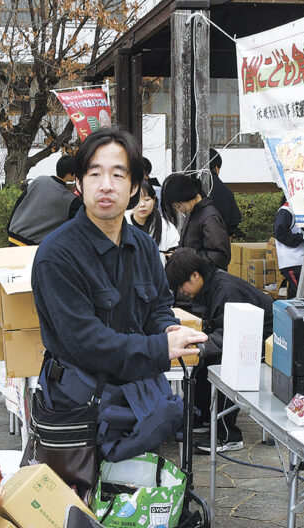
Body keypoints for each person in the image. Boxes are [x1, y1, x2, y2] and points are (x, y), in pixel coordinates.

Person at [31, 127, 207, 407]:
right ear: (79, 183)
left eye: (117, 175)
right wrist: (159, 347)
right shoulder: (57, 255)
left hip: (140, 401)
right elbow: (86, 341)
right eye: (95, 174)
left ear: (134, 186)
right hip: (81, 407)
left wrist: (169, 331)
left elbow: (159, 307)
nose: (106, 185)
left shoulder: (144, 246)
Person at [165, 248, 273, 452]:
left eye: (181, 285)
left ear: (195, 275)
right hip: (238, 335)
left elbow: (231, 335)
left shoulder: (225, 290)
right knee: (199, 361)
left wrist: (201, 345)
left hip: (260, 340)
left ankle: (228, 435)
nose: (181, 291)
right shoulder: (210, 284)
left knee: (221, 365)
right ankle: (202, 417)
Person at [7, 154, 82, 246]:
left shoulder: (39, 180)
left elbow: (19, 203)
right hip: (34, 245)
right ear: (70, 175)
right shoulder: (70, 200)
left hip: (14, 237)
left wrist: (9, 228)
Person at [161, 173, 231, 270]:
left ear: (186, 195)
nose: (179, 210)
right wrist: (177, 253)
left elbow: (220, 256)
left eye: (178, 206)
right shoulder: (193, 213)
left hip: (207, 277)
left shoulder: (210, 217)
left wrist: (186, 255)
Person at [127, 178, 179, 258]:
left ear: (154, 199)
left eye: (147, 199)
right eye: (137, 200)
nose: (142, 205)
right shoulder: (121, 225)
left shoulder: (167, 229)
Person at [273, 194, 304, 297]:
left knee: (295, 294)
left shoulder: (299, 209)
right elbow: (280, 233)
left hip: (302, 260)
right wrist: (302, 237)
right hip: (293, 261)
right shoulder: (287, 210)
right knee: (301, 294)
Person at [208, 148, 242, 237]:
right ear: (216, 168)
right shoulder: (225, 192)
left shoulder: (188, 183)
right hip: (218, 240)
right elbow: (232, 224)